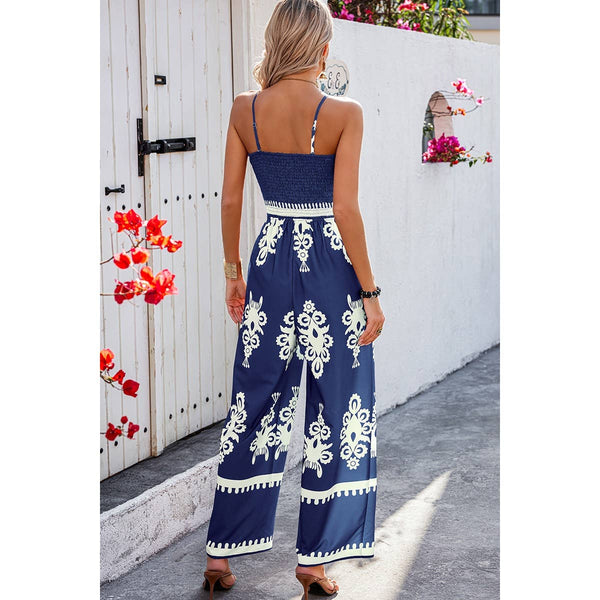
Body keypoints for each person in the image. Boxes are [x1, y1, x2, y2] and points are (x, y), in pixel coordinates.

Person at [202, 1, 384, 598]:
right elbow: (346, 209)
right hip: (329, 265)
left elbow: (231, 201)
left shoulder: (244, 109)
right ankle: (313, 563)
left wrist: (233, 272)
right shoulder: (345, 113)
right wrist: (370, 292)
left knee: (254, 399)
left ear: (277, 40)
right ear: (323, 48)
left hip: (270, 258)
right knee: (339, 402)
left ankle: (220, 556)